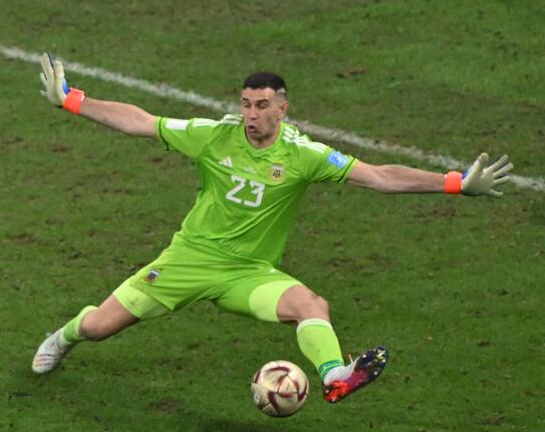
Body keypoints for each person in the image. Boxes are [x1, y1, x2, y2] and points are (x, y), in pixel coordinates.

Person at [31, 53, 512, 403]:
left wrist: (455, 183)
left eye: (261, 106)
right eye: (245, 104)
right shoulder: (214, 135)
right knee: (99, 327)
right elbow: (142, 122)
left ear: (283, 108)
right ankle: (63, 337)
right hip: (188, 262)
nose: (251, 115)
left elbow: (381, 177)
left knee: (311, 304)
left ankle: (333, 375)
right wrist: (73, 100)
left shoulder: (304, 156)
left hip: (250, 274)